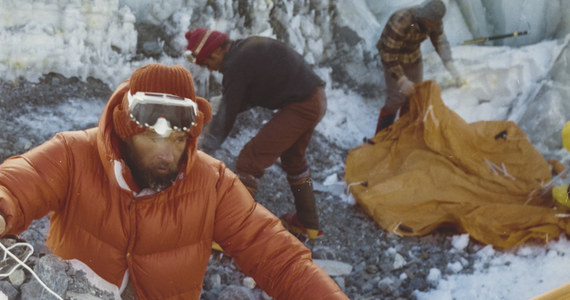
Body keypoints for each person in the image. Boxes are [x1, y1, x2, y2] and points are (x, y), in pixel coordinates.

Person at [0, 64, 348, 299]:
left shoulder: (212, 183)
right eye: (153, 138)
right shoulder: (74, 154)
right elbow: (19, 183)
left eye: (179, 140)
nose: (168, 155)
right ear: (125, 130)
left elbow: (278, 258)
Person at [184, 28, 327, 240]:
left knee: (250, 161)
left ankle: (231, 232)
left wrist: (204, 151)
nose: (211, 69)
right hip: (315, 97)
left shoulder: (235, 65)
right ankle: (308, 223)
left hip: (303, 104)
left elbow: (227, 116)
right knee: (293, 160)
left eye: (207, 63)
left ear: (216, 53)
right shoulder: (244, 51)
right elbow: (242, 100)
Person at [375, 0, 464, 133]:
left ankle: (402, 131)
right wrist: (402, 80)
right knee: (397, 98)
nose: (432, 26)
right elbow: (388, 55)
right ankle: (380, 135)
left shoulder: (434, 22)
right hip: (393, 57)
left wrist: (449, 63)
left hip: (413, 56)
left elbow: (440, 41)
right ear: (424, 16)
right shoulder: (402, 21)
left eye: (434, 23)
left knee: (413, 96)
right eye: (430, 23)